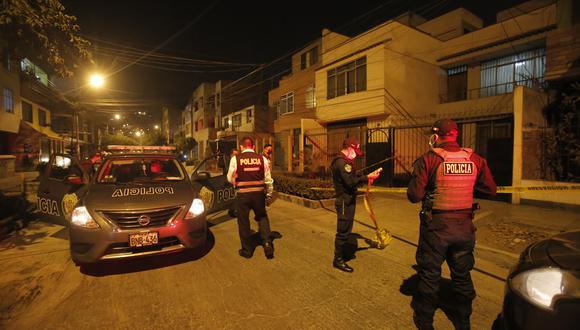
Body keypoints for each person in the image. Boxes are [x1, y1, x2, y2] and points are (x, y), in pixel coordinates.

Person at [407, 119, 496, 330]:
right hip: (464, 228)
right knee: (462, 275)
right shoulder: (475, 159)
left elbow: (414, 195)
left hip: (436, 229)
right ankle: (463, 320)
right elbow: (490, 190)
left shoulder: (429, 159)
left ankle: (425, 322)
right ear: (456, 135)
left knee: (429, 275)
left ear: (435, 136)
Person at [331, 137, 381, 273]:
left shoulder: (346, 162)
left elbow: (353, 177)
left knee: (347, 228)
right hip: (343, 202)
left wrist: (367, 176)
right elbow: (350, 182)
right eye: (354, 151)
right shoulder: (342, 163)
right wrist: (368, 178)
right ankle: (338, 259)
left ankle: (342, 253)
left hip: (348, 200)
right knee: (343, 230)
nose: (355, 155)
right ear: (348, 148)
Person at [227, 136, 275, 259]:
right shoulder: (262, 159)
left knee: (243, 221)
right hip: (258, 194)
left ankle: (247, 251)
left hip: (242, 195)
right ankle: (267, 243)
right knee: (262, 217)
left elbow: (229, 178)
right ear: (253, 147)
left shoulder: (235, 159)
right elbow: (268, 179)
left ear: (242, 147)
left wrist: (235, 182)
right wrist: (269, 195)